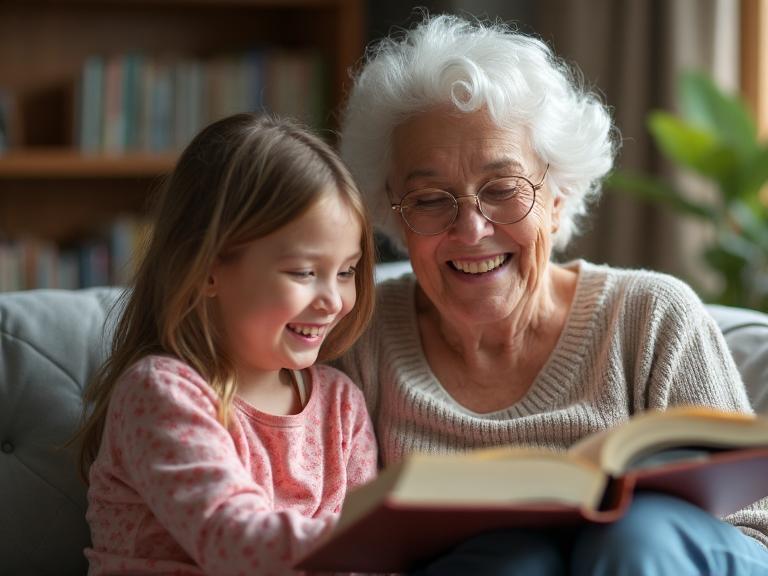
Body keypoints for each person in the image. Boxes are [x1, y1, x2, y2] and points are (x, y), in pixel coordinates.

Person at [336, 14, 768, 575]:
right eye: (430, 198)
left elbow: (755, 527)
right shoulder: (361, 339)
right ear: (391, 213)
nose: (471, 230)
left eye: (503, 189)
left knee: (640, 538)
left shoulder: (653, 318)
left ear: (559, 195)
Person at [77, 113, 378, 575]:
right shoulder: (160, 392)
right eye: (304, 272)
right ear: (208, 268)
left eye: (346, 271)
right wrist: (396, 537)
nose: (334, 301)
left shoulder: (342, 406)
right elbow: (234, 541)